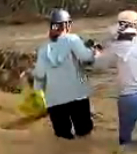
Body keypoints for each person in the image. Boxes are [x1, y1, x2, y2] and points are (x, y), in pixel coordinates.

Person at [94, 11, 137, 146]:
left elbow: (98, 65)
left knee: (125, 142)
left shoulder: (115, 47)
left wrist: (96, 53)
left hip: (129, 99)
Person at [33, 9, 96, 140]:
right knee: (84, 136)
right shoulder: (72, 39)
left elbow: (39, 75)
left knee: (63, 138)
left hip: (54, 101)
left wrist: (37, 93)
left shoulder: (43, 49)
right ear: (67, 25)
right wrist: (94, 51)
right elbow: (86, 57)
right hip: (77, 95)